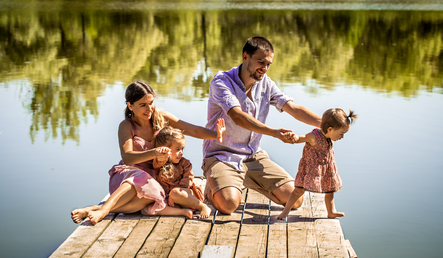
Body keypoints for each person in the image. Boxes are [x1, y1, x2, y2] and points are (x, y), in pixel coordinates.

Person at [71, 81, 225, 225]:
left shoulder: (161, 117)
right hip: (127, 176)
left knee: (148, 201)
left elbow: (193, 129)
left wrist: (215, 135)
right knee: (139, 177)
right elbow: (127, 157)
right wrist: (154, 153)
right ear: (130, 106)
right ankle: (104, 211)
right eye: (143, 105)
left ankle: (92, 209)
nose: (149, 108)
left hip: (152, 179)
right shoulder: (126, 126)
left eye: (151, 103)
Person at [202, 36, 322, 215]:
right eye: (260, 62)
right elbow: (238, 117)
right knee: (228, 204)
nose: (264, 68)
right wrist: (275, 132)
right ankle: (213, 190)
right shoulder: (222, 82)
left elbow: (293, 108)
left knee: (295, 199)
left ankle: (244, 180)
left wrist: (326, 125)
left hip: (253, 156)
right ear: (245, 57)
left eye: (268, 64)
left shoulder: (266, 83)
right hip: (222, 155)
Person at [277, 108, 357, 220]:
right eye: (341, 134)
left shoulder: (329, 136)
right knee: (298, 190)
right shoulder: (314, 136)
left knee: (330, 191)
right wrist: (295, 137)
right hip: (310, 169)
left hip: (326, 169)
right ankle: (285, 212)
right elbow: (302, 138)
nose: (342, 137)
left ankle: (331, 212)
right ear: (330, 129)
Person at [153, 126, 212, 219]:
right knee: (148, 209)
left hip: (185, 193)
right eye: (177, 149)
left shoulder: (184, 163)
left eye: (182, 149)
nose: (181, 152)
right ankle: (182, 211)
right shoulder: (159, 163)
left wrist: (174, 194)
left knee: (175, 193)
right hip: (169, 199)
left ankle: (202, 206)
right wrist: (162, 156)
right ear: (166, 149)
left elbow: (188, 180)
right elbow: (155, 168)